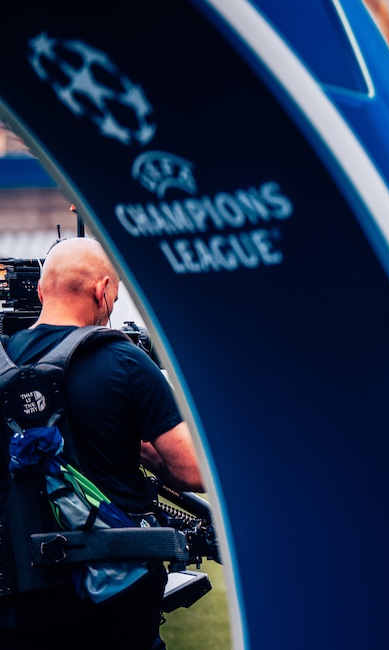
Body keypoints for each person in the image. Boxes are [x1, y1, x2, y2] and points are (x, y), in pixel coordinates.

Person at [0, 237, 204, 650]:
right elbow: (192, 471)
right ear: (102, 290)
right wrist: (138, 443)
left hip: (18, 593)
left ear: (40, 291)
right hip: (113, 593)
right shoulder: (125, 360)